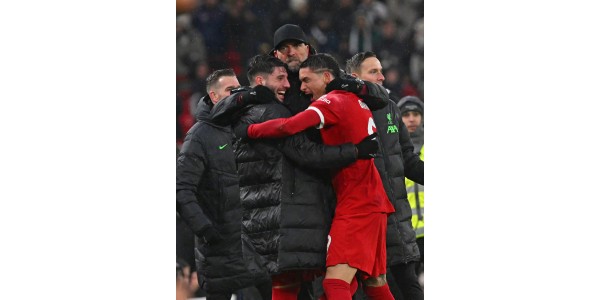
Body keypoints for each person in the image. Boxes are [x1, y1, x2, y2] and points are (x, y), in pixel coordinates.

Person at [211, 54, 380, 300]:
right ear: (260, 81)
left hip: (258, 215)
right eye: (281, 78)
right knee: (341, 284)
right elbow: (305, 150)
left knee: (288, 284)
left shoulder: (239, 111)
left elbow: (212, 111)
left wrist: (245, 115)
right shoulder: (277, 110)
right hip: (291, 212)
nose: (290, 85)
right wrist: (354, 151)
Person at [176, 69, 273, 300]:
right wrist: (206, 229)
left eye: (238, 89)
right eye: (230, 90)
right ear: (214, 96)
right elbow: (181, 189)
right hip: (219, 252)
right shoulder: (199, 136)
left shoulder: (248, 127)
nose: (237, 94)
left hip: (255, 249)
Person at [346, 51, 424, 300]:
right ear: (354, 77)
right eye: (373, 72)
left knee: (409, 288)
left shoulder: (390, 108)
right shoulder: (343, 109)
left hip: (398, 221)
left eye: (381, 71)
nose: (382, 77)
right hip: (365, 223)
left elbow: (408, 160)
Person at [396, 95, 425, 289]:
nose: (412, 119)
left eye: (416, 114)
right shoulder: (393, 149)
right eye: (406, 115)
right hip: (405, 232)